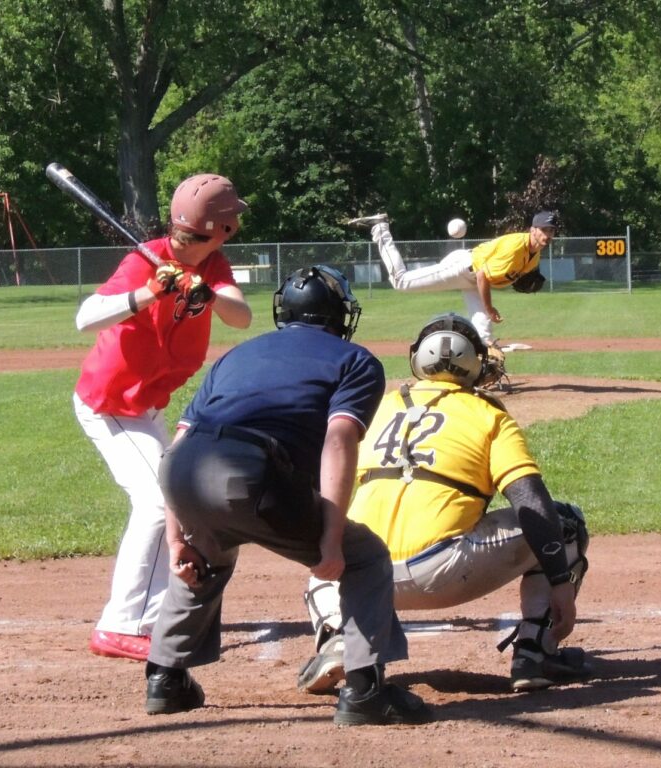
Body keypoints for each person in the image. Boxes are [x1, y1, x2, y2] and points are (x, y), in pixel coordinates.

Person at [146, 265, 432, 727]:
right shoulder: (354, 360)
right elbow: (339, 441)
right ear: (338, 315)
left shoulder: (236, 356)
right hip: (253, 473)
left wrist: (178, 539)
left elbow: (178, 447)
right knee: (365, 557)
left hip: (183, 470)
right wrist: (332, 542)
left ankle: (165, 678)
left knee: (206, 553)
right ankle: (365, 690)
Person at [297, 313, 592, 695]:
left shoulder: (378, 407)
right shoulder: (488, 414)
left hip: (360, 575)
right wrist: (560, 581)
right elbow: (529, 501)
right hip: (445, 569)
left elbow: (322, 486)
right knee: (565, 521)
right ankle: (536, 651)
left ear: (417, 358)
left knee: (329, 537)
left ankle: (338, 637)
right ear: (477, 363)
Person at [74, 173, 253, 662]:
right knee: (158, 501)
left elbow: (242, 316)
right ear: (223, 226)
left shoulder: (212, 263)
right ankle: (121, 624)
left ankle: (147, 613)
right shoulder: (143, 260)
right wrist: (150, 293)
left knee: (171, 496)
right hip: (110, 403)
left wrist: (208, 292)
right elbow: (85, 317)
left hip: (143, 407)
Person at [347, 211, 555, 347]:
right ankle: (380, 228)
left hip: (473, 276)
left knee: (484, 332)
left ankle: (484, 372)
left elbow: (502, 276)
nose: (548, 234)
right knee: (401, 282)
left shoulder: (535, 253)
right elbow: (483, 276)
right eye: (544, 229)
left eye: (551, 230)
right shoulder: (516, 246)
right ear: (533, 230)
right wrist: (490, 308)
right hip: (463, 269)